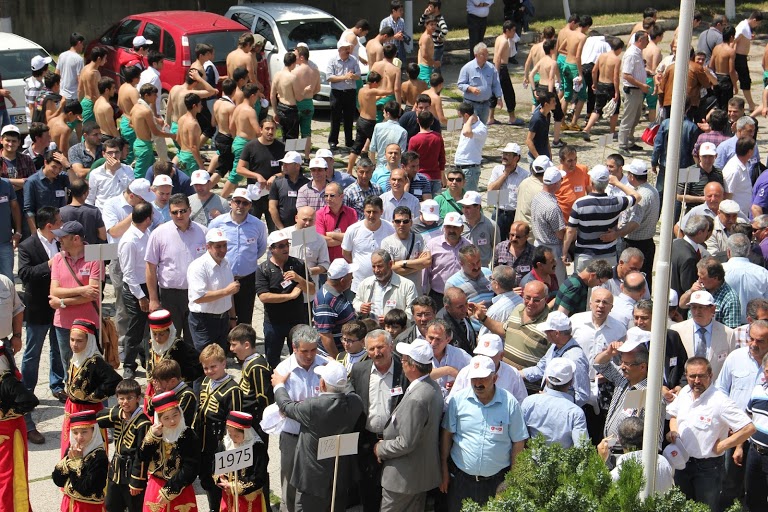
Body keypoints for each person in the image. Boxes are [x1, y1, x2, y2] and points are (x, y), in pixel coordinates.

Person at [272, 359, 363, 512]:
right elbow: (349, 390)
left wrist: (279, 385)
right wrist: (339, 370)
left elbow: (286, 406)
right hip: (339, 475)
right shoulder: (355, 403)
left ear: (322, 384)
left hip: (313, 479)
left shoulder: (314, 406)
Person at [441, 354, 528, 511]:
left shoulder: (510, 403)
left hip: (497, 482)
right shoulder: (458, 400)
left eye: (483, 378)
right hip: (461, 481)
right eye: (474, 378)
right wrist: (444, 470)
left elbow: (518, 442)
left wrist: (513, 479)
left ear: (494, 378)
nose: (478, 383)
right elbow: (447, 435)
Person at [667, 357, 756, 510]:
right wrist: (673, 430)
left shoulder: (720, 401)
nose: (696, 380)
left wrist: (722, 446)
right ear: (686, 376)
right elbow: (674, 415)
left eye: (701, 376)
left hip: (707, 469)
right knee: (680, 507)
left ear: (711, 375)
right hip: (682, 463)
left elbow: (748, 428)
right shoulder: (684, 394)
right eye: (692, 376)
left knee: (705, 509)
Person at [375, 338, 443, 511]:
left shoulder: (417, 397)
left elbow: (406, 442)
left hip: (403, 479)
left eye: (404, 360)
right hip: (416, 477)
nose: (401, 363)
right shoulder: (431, 387)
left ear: (413, 366)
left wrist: (380, 448)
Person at [17, 206, 65, 443]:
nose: (61, 224)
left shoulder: (60, 242)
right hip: (37, 308)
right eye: (59, 221)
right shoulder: (27, 246)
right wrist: (49, 265)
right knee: (32, 353)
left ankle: (57, 385)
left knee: (58, 348)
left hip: (58, 305)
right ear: (49, 225)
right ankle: (26, 392)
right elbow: (24, 274)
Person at [272, 325, 329, 511]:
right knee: (289, 479)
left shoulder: (326, 366)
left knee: (319, 478)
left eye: (313, 350)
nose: (310, 355)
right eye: (304, 351)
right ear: (294, 348)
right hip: (292, 435)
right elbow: (285, 407)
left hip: (317, 435)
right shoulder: (283, 370)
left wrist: (299, 407)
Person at [194, 344, 244, 512]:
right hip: (204, 442)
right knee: (207, 479)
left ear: (224, 363)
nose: (209, 371)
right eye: (206, 367)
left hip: (220, 444)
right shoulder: (205, 382)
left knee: (220, 481)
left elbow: (236, 422)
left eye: (213, 366)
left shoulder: (233, 389)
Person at [60, 319, 121, 457]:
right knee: (70, 446)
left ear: (89, 341)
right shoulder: (73, 356)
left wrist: (93, 396)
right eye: (72, 339)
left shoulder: (96, 362)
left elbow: (115, 381)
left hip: (89, 411)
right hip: (72, 408)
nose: (74, 344)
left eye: (79, 341)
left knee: (89, 449)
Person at [48, 221, 102, 374]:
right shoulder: (58, 258)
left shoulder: (94, 256)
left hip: (89, 322)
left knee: (92, 366)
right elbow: (54, 290)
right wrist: (82, 289)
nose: (59, 241)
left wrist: (63, 302)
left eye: (63, 237)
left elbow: (92, 295)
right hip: (64, 323)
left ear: (76, 239)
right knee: (68, 366)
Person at [209, 188, 268, 326]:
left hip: (246, 279)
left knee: (245, 318)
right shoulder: (217, 223)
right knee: (221, 317)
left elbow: (260, 249)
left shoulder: (258, 225)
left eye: (245, 203)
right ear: (231, 203)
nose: (240, 206)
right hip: (222, 276)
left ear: (250, 205)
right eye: (237, 202)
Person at [255, 230, 314, 367]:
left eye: (287, 244)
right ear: (272, 249)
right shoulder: (263, 269)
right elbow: (264, 296)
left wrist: (298, 278)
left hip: (297, 320)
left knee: (300, 357)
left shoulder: (298, 264)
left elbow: (311, 289)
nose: (286, 248)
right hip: (274, 322)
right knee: (272, 359)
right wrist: (290, 296)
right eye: (281, 246)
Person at [564, 166, 640, 270]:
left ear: (591, 182)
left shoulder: (580, 204)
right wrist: (617, 183)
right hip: (608, 255)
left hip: (584, 255)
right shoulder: (616, 202)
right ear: (607, 183)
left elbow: (570, 231)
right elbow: (637, 196)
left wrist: (564, 252)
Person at [139, 391, 201, 511]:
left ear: (180, 413)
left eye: (175, 415)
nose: (172, 421)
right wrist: (152, 438)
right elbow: (142, 457)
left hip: (180, 488)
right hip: (155, 485)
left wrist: (170, 490)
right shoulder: (155, 433)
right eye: (166, 418)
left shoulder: (188, 435)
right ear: (159, 419)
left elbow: (191, 468)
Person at [96, 379, 151, 512]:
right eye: (121, 398)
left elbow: (142, 455)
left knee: (134, 507)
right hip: (116, 472)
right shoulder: (119, 413)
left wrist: (137, 481)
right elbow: (98, 418)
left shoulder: (143, 423)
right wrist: (118, 413)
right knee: (111, 505)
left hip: (131, 472)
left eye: (129, 398)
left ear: (138, 398)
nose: (125, 402)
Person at [186, 228, 239, 353]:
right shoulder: (198, 267)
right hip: (203, 321)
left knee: (219, 357)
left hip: (223, 319)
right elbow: (199, 297)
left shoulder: (225, 263)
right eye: (218, 246)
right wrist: (226, 291)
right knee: (205, 358)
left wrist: (232, 318)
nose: (223, 250)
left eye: (225, 245)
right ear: (208, 247)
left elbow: (230, 295)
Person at [520, 311, 589, 406]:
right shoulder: (554, 346)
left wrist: (552, 400)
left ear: (556, 333)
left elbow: (582, 395)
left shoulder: (575, 358)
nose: (545, 333)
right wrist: (517, 373)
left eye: (547, 331)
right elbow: (540, 369)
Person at [117, 201, 154, 379]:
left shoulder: (146, 233)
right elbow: (129, 273)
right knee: (135, 328)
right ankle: (129, 364)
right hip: (135, 289)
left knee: (148, 327)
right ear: (148, 219)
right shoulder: (129, 241)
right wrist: (141, 297)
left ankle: (146, 358)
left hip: (148, 285)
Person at [521, 358, 588, 447]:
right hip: (563, 460)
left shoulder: (529, 402)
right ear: (571, 382)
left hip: (530, 459)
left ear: (547, 379)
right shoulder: (576, 413)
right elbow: (582, 448)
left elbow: (519, 436)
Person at [671, 289, 737, 380]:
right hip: (684, 388)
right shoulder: (677, 330)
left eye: (701, 307)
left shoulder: (728, 334)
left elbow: (732, 365)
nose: (697, 311)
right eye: (694, 307)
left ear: (713, 309)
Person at [52, 410, 109, 512]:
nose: (79, 437)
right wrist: (68, 461)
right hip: (68, 503)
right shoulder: (72, 449)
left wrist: (76, 464)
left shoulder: (99, 457)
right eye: (75, 432)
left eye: (84, 432)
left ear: (94, 431)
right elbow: (58, 480)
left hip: (88, 507)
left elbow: (85, 489)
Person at [145, 309, 202, 402]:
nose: (157, 338)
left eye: (161, 334)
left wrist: (178, 380)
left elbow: (198, 366)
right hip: (154, 390)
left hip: (175, 392)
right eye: (154, 334)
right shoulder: (150, 344)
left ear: (169, 332)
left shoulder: (180, 347)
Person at [341, 196, 396, 293]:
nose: (371, 215)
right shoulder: (352, 230)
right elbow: (346, 253)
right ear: (363, 211)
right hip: (359, 285)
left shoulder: (391, 229)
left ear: (381, 212)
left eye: (375, 212)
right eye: (368, 212)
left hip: (385, 284)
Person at [354, 249, 417, 325]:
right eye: (373, 266)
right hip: (371, 332)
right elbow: (355, 302)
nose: (376, 270)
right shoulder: (365, 283)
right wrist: (360, 307)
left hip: (397, 333)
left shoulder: (407, 285)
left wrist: (391, 320)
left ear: (390, 264)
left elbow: (413, 311)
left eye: (380, 266)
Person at [678, 257, 741, 329]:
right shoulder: (699, 287)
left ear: (715, 278)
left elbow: (731, 330)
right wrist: (691, 292)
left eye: (702, 277)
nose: (699, 280)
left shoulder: (730, 299)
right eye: (698, 276)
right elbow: (682, 304)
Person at [530, 167, 567, 283]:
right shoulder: (552, 207)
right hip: (552, 250)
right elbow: (560, 234)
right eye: (561, 180)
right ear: (556, 184)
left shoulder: (537, 197)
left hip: (538, 245)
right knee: (558, 282)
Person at [724, 233, 768, 324]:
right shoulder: (763, 273)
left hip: (725, 327)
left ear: (728, 252)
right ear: (748, 251)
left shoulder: (720, 271)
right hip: (756, 327)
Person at [617, 31, 650, 153]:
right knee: (628, 118)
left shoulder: (638, 53)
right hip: (633, 91)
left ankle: (630, 141)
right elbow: (626, 75)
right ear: (640, 40)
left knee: (636, 118)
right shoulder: (631, 54)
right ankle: (622, 144)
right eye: (646, 40)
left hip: (638, 91)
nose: (648, 42)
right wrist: (641, 85)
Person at [327, 40, 361, 151]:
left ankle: (349, 140)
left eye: (348, 48)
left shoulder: (353, 60)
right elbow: (329, 77)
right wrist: (344, 77)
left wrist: (353, 76)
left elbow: (359, 75)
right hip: (337, 93)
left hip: (350, 92)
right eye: (345, 49)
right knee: (335, 118)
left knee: (349, 117)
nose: (348, 51)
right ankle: (333, 141)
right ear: (340, 50)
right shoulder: (333, 61)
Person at [454, 102, 489, 191]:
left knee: (468, 198)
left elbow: (467, 133)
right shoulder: (466, 124)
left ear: (466, 116)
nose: (459, 119)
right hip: (459, 165)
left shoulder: (481, 128)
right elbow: (450, 125)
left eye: (460, 117)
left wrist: (469, 120)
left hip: (470, 168)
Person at [734, 11, 764, 110]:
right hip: (738, 58)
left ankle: (751, 103)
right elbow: (733, 41)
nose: (757, 25)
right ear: (754, 20)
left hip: (742, 57)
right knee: (745, 80)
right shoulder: (742, 27)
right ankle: (751, 104)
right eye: (757, 23)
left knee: (745, 80)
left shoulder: (746, 27)